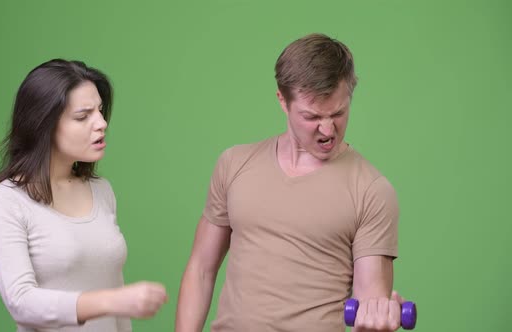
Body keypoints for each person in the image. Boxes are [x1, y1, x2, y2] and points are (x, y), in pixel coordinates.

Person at [175, 33, 408, 332]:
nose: (327, 129)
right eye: (312, 116)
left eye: (338, 113)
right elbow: (201, 270)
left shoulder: (372, 191)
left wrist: (375, 320)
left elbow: (368, 302)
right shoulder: (234, 163)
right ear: (282, 101)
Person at [0, 59, 167, 332]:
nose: (101, 123)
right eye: (83, 116)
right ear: (43, 124)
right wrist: (113, 301)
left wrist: (117, 303)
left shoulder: (101, 190)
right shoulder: (4, 202)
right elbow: (21, 302)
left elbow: (115, 289)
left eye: (101, 112)